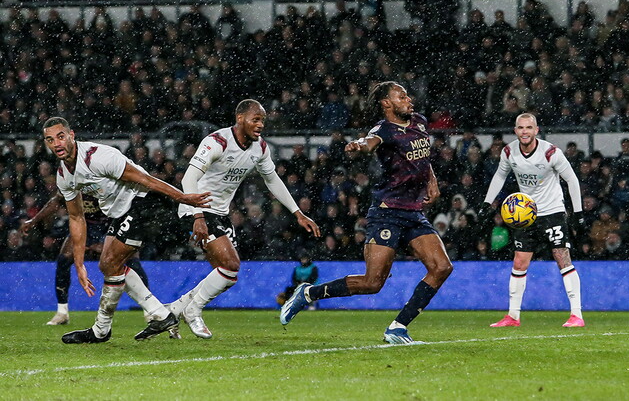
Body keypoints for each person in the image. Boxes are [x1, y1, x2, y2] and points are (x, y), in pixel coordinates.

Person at [280, 82, 453, 344]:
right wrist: (357, 146)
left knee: (441, 267)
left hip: (413, 212)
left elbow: (423, 159)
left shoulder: (418, 121)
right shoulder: (384, 129)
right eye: (401, 96)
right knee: (373, 282)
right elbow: (368, 142)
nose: (409, 99)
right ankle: (308, 293)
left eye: (407, 95)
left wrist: (433, 180)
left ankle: (398, 327)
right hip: (387, 213)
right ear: (386, 104)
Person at [43, 117, 210, 343]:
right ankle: (159, 315)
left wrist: (183, 197)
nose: (57, 144)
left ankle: (104, 329)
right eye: (50, 140)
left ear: (71, 135)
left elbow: (145, 179)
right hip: (121, 211)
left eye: (61, 136)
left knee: (111, 262)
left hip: (144, 201)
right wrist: (79, 264)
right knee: (108, 265)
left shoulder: (98, 157)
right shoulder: (64, 176)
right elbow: (76, 217)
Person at [165, 99, 320, 339]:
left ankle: (173, 311)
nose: (260, 125)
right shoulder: (217, 141)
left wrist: (297, 212)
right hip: (197, 208)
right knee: (231, 265)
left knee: (227, 275)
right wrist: (197, 216)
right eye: (255, 119)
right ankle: (192, 310)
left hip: (220, 213)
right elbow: (188, 180)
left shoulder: (260, 148)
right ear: (240, 119)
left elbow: (272, 180)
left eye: (263, 121)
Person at [480, 113, 585, 328]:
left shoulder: (550, 152)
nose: (524, 131)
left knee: (562, 257)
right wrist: (487, 203)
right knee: (519, 261)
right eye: (520, 128)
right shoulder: (509, 152)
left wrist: (578, 212)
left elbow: (571, 179)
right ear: (515, 130)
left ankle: (577, 315)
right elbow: (500, 176)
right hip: (526, 215)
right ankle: (513, 316)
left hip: (552, 211)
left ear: (536, 130)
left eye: (529, 127)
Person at [20, 192, 151, 326]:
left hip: (113, 223)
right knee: (63, 259)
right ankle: (62, 312)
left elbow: (129, 199)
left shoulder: (105, 177)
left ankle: (149, 311)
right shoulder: (72, 179)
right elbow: (56, 201)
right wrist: (33, 221)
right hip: (85, 225)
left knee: (131, 261)